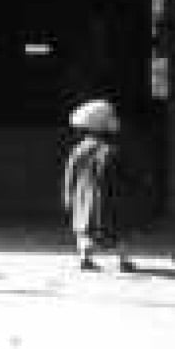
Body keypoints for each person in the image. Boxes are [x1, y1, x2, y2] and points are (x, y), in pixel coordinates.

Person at [63, 99, 139, 273]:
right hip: (110, 200)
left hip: (83, 199)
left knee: (83, 230)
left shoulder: (79, 150)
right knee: (119, 231)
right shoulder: (113, 150)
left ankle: (85, 258)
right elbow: (125, 176)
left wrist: (68, 196)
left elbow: (70, 175)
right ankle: (124, 260)